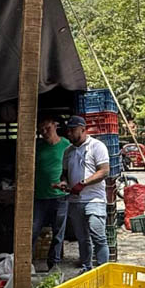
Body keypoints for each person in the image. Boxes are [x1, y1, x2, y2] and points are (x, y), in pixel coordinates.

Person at [56, 116, 111, 272]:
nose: (69, 134)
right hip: (75, 200)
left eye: (73, 130)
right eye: (68, 131)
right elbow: (64, 174)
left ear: (82, 129)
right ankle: (87, 268)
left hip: (95, 199)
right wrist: (64, 183)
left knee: (98, 236)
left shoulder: (96, 146)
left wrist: (83, 183)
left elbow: (104, 171)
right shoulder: (68, 151)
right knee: (82, 239)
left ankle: (103, 270)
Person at [32, 116, 70, 272]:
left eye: (47, 128)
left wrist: (66, 182)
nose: (44, 132)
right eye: (41, 130)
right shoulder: (37, 147)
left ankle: (53, 263)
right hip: (39, 196)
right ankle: (26, 263)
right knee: (32, 230)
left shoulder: (66, 145)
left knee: (58, 232)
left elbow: (71, 169)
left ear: (55, 125)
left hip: (60, 196)